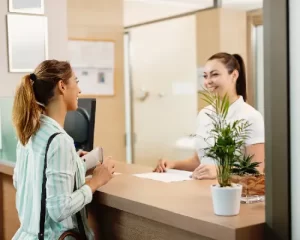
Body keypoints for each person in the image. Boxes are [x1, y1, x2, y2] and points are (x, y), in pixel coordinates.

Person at [12, 60, 115, 239]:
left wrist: (75, 163)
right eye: (76, 81)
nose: (79, 90)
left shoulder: (29, 131)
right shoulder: (60, 141)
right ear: (62, 86)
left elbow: (23, 181)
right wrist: (95, 182)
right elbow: (59, 209)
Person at [154, 52, 265, 179]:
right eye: (205, 76)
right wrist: (173, 164)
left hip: (233, 194)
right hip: (201, 190)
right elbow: (199, 161)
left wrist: (221, 171)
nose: (208, 82)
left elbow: (256, 171)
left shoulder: (251, 116)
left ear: (234, 75)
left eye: (215, 74)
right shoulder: (204, 114)